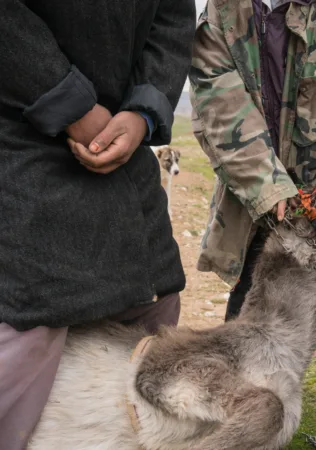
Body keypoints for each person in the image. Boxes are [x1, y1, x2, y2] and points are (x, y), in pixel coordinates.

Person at [0, 2, 196, 448]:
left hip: (127, 160)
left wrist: (143, 112)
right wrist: (71, 105)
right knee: (24, 334)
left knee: (158, 314)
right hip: (17, 147)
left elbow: (172, 18)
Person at [189, 0, 316, 422]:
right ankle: (237, 380)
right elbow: (221, 106)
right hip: (256, 183)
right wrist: (268, 188)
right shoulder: (224, 12)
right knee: (251, 278)